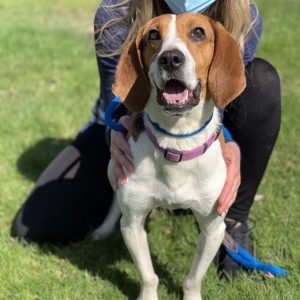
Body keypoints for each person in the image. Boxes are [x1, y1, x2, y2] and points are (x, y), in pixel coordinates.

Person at [13, 0, 281, 278]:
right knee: (35, 224)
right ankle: (138, 198)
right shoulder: (115, 10)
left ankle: (234, 217)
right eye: (155, 37)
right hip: (132, 122)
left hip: (202, 126)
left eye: (197, 35)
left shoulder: (242, 11)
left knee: (262, 81)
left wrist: (229, 145)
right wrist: (115, 135)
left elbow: (222, 95)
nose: (171, 56)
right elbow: (119, 98)